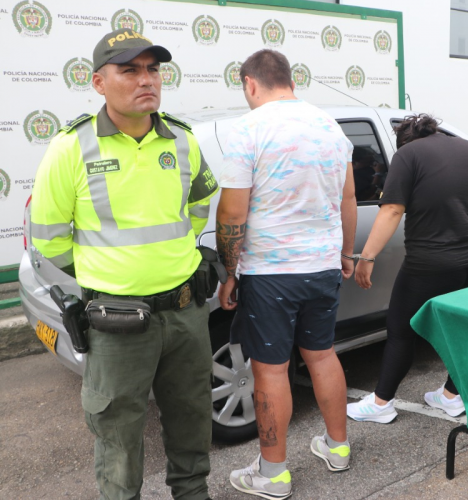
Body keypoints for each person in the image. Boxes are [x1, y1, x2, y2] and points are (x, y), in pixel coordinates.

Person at [30, 29, 219, 499]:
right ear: (98, 82)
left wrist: (169, 259)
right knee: (117, 434)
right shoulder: (70, 148)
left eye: (153, 69)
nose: (146, 79)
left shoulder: (182, 140)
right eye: (130, 69)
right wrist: (107, 279)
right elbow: (50, 240)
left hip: (185, 311)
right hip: (116, 322)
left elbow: (197, 211)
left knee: (192, 420)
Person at [215, 49, 356, 499]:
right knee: (322, 354)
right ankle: (338, 448)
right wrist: (347, 253)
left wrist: (230, 271)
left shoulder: (248, 129)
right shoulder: (330, 126)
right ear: (289, 81)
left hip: (272, 272)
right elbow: (348, 199)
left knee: (271, 371)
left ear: (251, 83)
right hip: (322, 266)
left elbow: (232, 212)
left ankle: (273, 474)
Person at [346, 114, 468, 423]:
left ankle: (381, 403)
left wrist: (367, 257)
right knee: (462, 329)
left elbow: (392, 210)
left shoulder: (407, 155)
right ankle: (452, 397)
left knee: (402, 330)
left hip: (431, 263)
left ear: (404, 141)